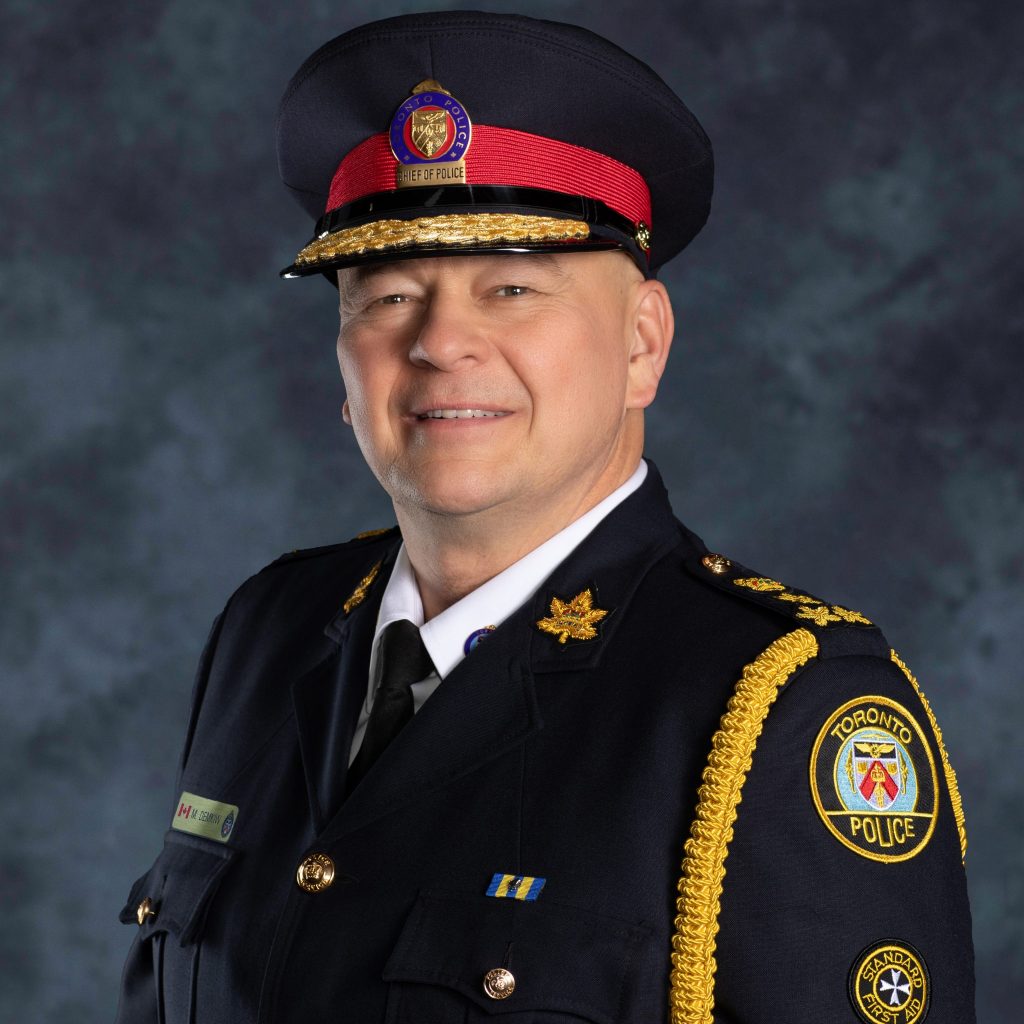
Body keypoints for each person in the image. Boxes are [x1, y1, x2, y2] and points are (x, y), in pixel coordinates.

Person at [114, 12, 975, 1024]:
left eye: (513, 287)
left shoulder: (778, 709)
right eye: (388, 296)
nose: (441, 343)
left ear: (642, 345)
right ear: (344, 364)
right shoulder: (269, 630)